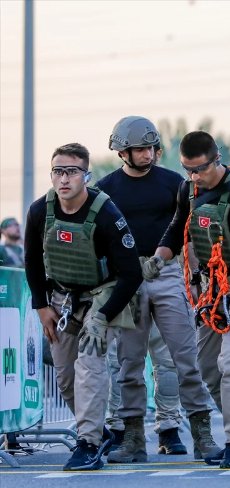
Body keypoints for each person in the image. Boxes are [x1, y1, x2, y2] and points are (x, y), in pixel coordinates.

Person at [145, 131, 230, 469]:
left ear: (216, 159)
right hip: (211, 292)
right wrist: (159, 259)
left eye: (200, 169)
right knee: (207, 368)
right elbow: (177, 230)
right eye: (188, 169)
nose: (194, 177)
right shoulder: (188, 189)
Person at [97, 117, 220, 463]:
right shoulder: (107, 189)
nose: (147, 154)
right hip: (127, 278)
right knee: (129, 364)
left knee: (185, 358)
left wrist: (197, 278)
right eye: (139, 148)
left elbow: (191, 232)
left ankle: (203, 436)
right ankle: (133, 440)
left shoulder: (175, 183)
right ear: (122, 151)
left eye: (151, 147)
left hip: (167, 273)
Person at [24, 143, 142, 470]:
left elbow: (131, 273)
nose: (64, 179)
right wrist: (41, 306)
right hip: (61, 299)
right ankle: (98, 431)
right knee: (65, 376)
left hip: (103, 296)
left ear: (86, 176)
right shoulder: (39, 211)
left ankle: (87, 443)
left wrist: (102, 317)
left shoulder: (106, 213)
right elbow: (32, 260)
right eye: (58, 171)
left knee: (89, 365)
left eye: (72, 171)